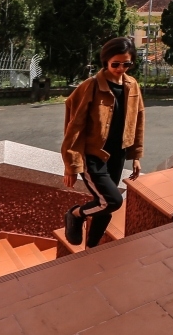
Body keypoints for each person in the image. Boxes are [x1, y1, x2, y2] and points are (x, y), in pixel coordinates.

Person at [60, 37, 145, 248]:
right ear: (105, 61)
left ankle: (92, 248)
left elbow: (138, 119)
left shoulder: (132, 85)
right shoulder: (90, 87)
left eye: (126, 64)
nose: (120, 68)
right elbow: (74, 127)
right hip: (93, 155)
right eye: (115, 63)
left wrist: (135, 156)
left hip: (118, 155)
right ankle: (76, 214)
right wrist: (70, 166)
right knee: (113, 201)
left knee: (104, 206)